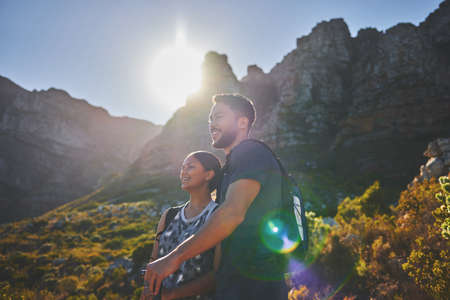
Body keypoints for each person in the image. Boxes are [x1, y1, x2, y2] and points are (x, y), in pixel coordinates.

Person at [145, 93, 288, 300]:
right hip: (235, 287)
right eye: (210, 119)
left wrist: (173, 258)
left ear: (242, 122)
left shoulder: (250, 152)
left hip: (257, 289)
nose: (211, 124)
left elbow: (232, 214)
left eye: (219, 116)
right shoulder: (230, 170)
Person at [141, 151, 222, 300]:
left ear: (209, 175)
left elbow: (217, 275)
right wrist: (147, 289)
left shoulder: (217, 216)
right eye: (182, 168)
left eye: (190, 167)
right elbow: (154, 259)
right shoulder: (169, 215)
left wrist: (172, 295)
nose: (183, 172)